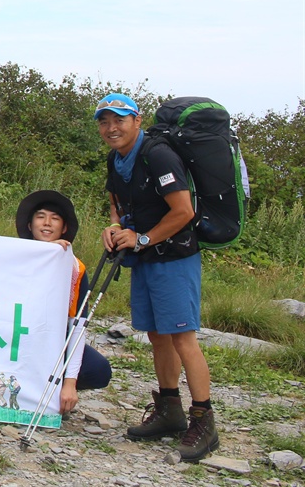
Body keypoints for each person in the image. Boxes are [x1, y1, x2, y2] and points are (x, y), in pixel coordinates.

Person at [96, 93, 217, 460]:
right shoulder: (116, 159)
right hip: (145, 257)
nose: (111, 128)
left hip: (175, 257)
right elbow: (118, 203)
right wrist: (115, 228)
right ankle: (170, 410)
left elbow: (184, 211)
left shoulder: (158, 154)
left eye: (119, 119)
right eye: (104, 121)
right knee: (158, 335)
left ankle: (204, 420)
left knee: (182, 336)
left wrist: (143, 238)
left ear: (137, 120)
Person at [14, 190, 113, 414]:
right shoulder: (13, 255)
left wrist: (69, 382)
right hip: (12, 340)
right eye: (40, 216)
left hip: (51, 343)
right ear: (29, 225)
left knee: (98, 369)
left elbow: (77, 327)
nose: (47, 223)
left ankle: (55, 391)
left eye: (55, 218)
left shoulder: (75, 268)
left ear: (64, 228)